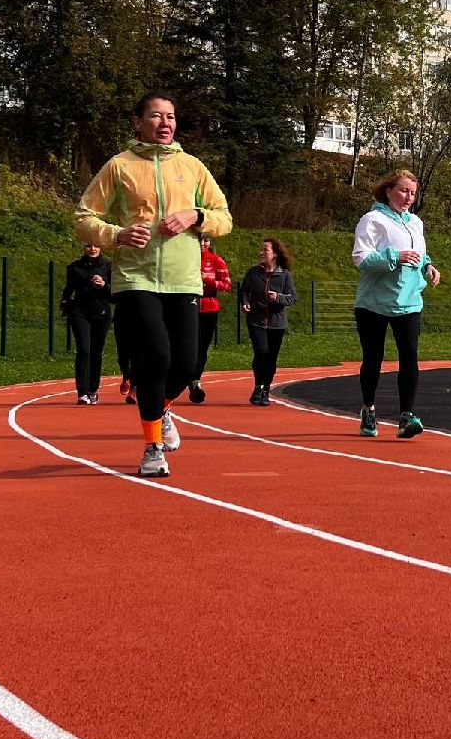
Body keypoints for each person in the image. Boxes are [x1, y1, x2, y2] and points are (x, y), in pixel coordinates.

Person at [75, 92, 231, 478]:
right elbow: (84, 216)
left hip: (183, 280)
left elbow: (224, 218)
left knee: (188, 363)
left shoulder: (192, 167)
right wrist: (117, 233)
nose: (165, 123)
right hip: (136, 278)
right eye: (157, 116)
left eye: (171, 117)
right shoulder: (120, 166)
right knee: (157, 356)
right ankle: (152, 446)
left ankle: (160, 409)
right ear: (138, 122)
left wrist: (195, 215)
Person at [351, 169, 440, 439]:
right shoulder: (372, 220)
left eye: (412, 193)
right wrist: (395, 256)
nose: (408, 197)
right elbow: (361, 258)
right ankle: (369, 408)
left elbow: (419, 253)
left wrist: (428, 266)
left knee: (410, 356)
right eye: (403, 191)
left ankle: (406, 416)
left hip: (409, 301)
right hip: (374, 303)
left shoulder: (415, 222)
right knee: (373, 358)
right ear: (388, 191)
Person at [239, 238, 297, 405]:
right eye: (261, 250)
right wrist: (245, 302)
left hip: (277, 323)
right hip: (256, 320)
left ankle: (265, 390)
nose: (261, 253)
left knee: (271, 358)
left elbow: (292, 298)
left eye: (265, 250)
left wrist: (278, 297)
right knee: (261, 352)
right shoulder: (253, 272)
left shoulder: (285, 275)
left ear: (275, 254)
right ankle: (258, 386)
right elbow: (244, 291)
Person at [60, 241, 113, 404]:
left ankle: (93, 390)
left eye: (96, 246)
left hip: (101, 312)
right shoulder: (75, 267)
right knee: (84, 350)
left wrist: (104, 285)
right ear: (83, 248)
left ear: (101, 247)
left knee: (96, 352)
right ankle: (82, 392)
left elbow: (114, 294)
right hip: (79, 312)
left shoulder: (108, 266)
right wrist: (64, 302)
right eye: (89, 246)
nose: (92, 249)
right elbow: (69, 289)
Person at [187, 237, 231, 404]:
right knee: (187, 345)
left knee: (202, 346)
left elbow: (227, 285)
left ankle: (195, 380)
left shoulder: (216, 260)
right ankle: (184, 376)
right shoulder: (186, 258)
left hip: (209, 307)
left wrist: (208, 281)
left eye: (205, 240)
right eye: (199, 240)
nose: (202, 244)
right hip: (188, 306)